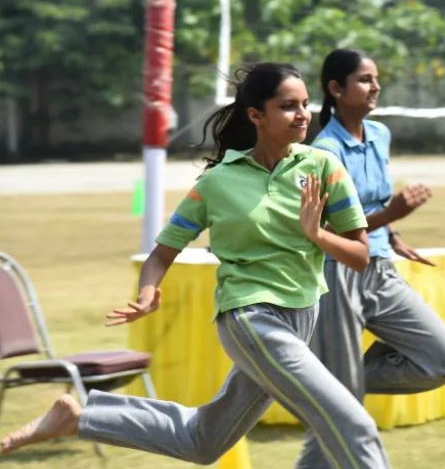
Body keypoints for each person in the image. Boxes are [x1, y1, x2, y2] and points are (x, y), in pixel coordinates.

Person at [0, 63, 390, 468]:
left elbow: (360, 256)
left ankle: (81, 417)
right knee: (351, 422)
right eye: (288, 106)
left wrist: (318, 234)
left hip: (302, 317)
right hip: (250, 317)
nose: (303, 114)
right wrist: (148, 293)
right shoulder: (217, 182)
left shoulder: (324, 167)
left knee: (203, 442)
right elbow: (162, 253)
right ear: (256, 116)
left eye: (305, 104)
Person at [297, 49, 445, 469]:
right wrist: (390, 214)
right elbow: (324, 233)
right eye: (364, 79)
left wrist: (393, 232)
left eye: (376, 78)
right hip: (337, 275)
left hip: (381, 271)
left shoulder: (380, 135)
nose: (375, 86)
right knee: (341, 413)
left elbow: (369, 199)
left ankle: (338, 380)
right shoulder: (322, 152)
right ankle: (338, 383)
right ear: (336, 89)